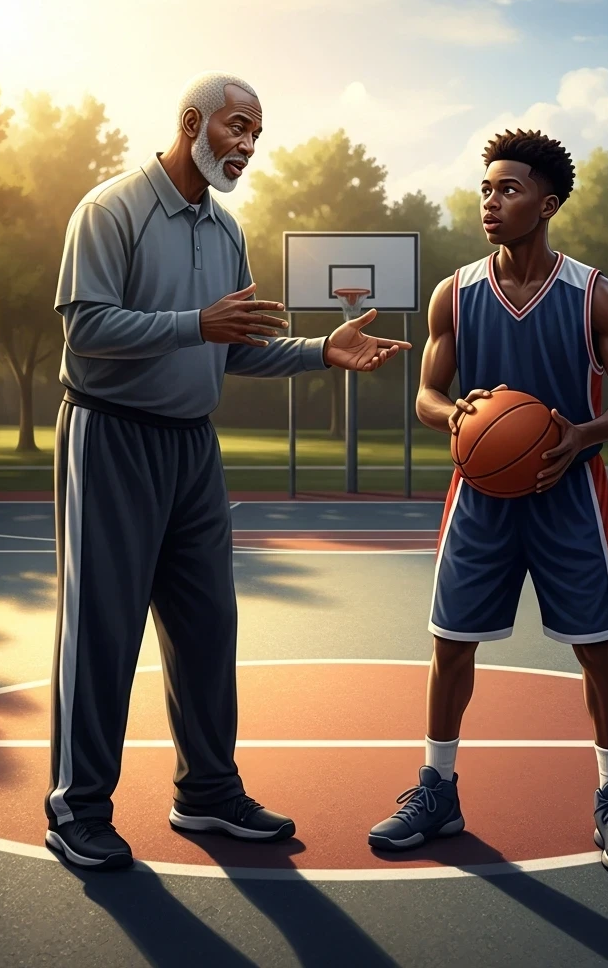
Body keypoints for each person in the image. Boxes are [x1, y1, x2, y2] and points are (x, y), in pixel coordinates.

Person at [44, 70, 410, 871]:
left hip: (190, 449)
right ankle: (76, 808)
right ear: (191, 123)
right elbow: (86, 328)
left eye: (256, 136)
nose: (246, 147)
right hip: (110, 435)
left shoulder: (226, 230)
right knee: (103, 628)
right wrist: (196, 322)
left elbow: (234, 348)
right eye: (236, 129)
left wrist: (322, 351)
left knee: (209, 627)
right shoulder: (110, 209)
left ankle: (206, 791)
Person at [368, 129, 608, 875]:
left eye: (509, 189)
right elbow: (428, 397)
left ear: (547, 203)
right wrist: (456, 416)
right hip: (481, 500)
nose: (491, 202)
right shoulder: (454, 293)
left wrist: (582, 433)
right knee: (449, 644)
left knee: (597, 650)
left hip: (569, 499)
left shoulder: (596, 293)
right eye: (486, 189)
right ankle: (437, 790)